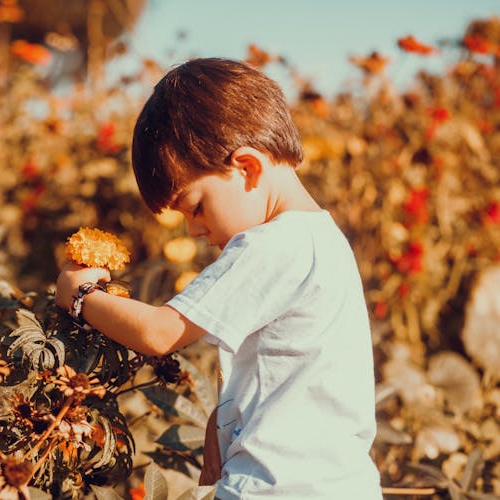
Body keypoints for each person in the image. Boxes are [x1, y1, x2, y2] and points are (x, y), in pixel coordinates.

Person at [55, 57, 382, 499]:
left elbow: (158, 332)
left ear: (246, 168)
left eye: (196, 206)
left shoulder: (270, 243)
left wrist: (81, 296)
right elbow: (298, 372)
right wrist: (228, 419)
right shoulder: (321, 239)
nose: (194, 229)